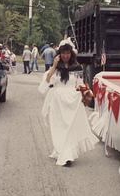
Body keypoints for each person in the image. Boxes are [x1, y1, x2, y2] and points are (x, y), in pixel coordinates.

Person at [38, 39, 99, 167]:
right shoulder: (56, 68)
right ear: (59, 54)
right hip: (57, 103)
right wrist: (54, 66)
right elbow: (47, 81)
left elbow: (80, 84)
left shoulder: (76, 67)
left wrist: (86, 91)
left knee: (70, 128)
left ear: (71, 54)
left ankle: (67, 155)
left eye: (68, 53)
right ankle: (61, 151)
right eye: (63, 53)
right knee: (58, 128)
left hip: (72, 102)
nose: (66, 56)